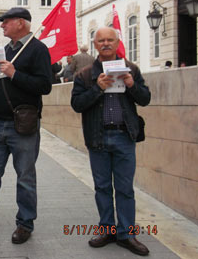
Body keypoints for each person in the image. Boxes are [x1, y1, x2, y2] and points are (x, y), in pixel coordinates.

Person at [0, 7, 52, 245]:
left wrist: (15, 74)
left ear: (22, 23)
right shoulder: (1, 51)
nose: (2, 25)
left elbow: (45, 85)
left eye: (6, 22)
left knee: (25, 177)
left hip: (23, 126)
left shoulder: (38, 49)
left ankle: (25, 224)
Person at [71, 27, 151, 256]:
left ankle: (127, 234)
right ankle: (106, 229)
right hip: (98, 137)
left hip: (124, 136)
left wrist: (132, 85)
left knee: (125, 188)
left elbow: (145, 99)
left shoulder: (132, 69)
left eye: (110, 40)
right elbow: (77, 104)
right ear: (95, 44)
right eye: (101, 40)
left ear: (117, 43)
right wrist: (98, 87)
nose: (105, 44)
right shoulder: (85, 74)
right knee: (102, 187)